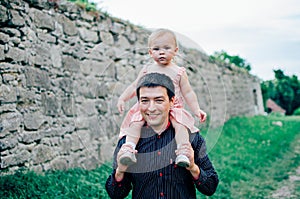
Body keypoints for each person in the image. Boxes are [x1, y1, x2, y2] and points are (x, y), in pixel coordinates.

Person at [106, 73, 219, 199]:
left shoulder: (191, 138)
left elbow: (210, 186)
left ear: (172, 102)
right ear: (138, 103)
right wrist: (120, 171)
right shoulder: (128, 143)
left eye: (159, 100)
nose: (151, 108)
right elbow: (115, 194)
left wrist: (193, 167)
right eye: (145, 101)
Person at [117, 28, 207, 167]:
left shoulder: (178, 71)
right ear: (150, 52)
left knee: (180, 125)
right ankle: (129, 148)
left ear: (175, 51)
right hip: (149, 106)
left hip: (173, 107)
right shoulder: (147, 69)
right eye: (156, 49)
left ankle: (183, 151)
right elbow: (135, 86)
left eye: (166, 48)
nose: (161, 52)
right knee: (135, 122)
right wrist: (123, 98)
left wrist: (196, 110)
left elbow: (188, 92)